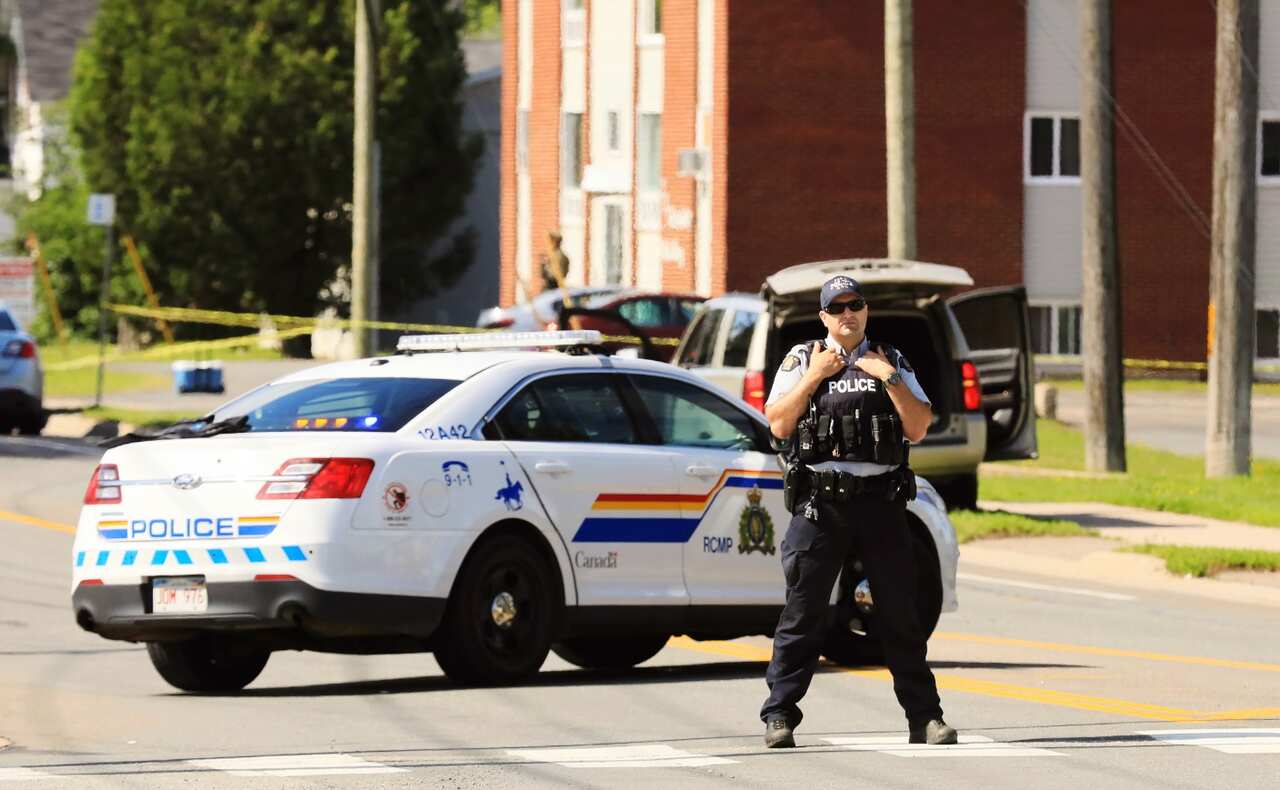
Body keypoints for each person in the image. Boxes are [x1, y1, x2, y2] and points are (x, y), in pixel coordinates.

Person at [759, 274, 957, 749]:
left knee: (900, 615)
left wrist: (884, 375)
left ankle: (925, 718)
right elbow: (779, 422)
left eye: (856, 305)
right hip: (820, 504)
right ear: (824, 316)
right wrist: (814, 377)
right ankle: (780, 713)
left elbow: (918, 427)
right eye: (838, 307)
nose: (848, 314)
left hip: (880, 502)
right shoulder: (803, 358)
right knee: (803, 613)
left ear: (865, 311)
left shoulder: (890, 359)